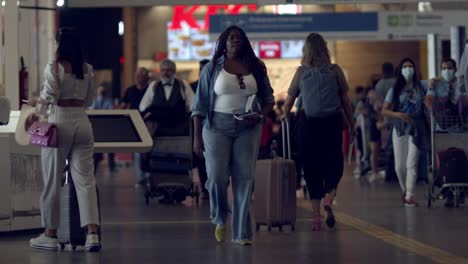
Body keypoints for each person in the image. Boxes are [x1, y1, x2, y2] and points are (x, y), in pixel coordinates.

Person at [192, 25, 275, 245]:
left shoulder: (256, 67)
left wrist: (259, 116)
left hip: (248, 129)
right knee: (217, 176)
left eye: (239, 38)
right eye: (231, 38)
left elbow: (268, 99)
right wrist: (197, 137)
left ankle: (242, 234)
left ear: (244, 42)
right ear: (224, 42)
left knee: (244, 179)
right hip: (216, 127)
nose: (235, 40)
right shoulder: (212, 67)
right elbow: (199, 104)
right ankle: (220, 218)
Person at [24, 28, 101, 251]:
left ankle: (50, 234)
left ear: (61, 44)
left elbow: (49, 99)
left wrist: (34, 101)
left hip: (59, 123)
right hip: (83, 123)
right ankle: (92, 234)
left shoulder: (55, 68)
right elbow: (89, 100)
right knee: (86, 180)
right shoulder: (87, 69)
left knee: (52, 180)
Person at [282, 33, 354, 231]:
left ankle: (315, 218)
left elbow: (288, 102)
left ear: (305, 50)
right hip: (331, 124)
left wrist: (284, 116)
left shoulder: (301, 72)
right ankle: (329, 197)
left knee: (311, 169)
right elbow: (346, 102)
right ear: (325, 49)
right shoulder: (335, 70)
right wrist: (352, 125)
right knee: (334, 163)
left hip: (308, 126)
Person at [382, 58, 429, 207]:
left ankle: (409, 196)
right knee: (399, 166)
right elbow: (384, 110)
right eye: (405, 66)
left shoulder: (421, 86)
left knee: (411, 163)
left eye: (411, 66)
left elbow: (435, 82)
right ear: (400, 70)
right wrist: (398, 114)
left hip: (418, 127)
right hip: (400, 127)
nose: (408, 69)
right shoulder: (394, 90)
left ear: (414, 69)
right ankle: (405, 190)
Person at [139, 59, 194, 136]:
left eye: (169, 70)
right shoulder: (154, 85)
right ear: (160, 71)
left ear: (174, 71)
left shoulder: (183, 85)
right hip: (158, 128)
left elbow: (192, 103)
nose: (165, 73)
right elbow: (143, 105)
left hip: (179, 126)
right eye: (163, 70)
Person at [120, 67, 150, 187]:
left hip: (149, 123)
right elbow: (123, 105)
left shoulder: (151, 90)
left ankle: (149, 175)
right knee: (138, 151)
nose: (139, 78)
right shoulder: (130, 90)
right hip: (135, 124)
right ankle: (141, 177)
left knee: (149, 150)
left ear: (147, 77)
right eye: (137, 76)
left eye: (142, 76)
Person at [190, 60, 210, 198]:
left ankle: (215, 186)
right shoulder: (192, 87)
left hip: (216, 126)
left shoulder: (218, 85)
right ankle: (205, 188)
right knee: (201, 159)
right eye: (201, 69)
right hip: (199, 126)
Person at [90, 82, 116, 174]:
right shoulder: (94, 100)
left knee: (110, 146)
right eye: (100, 90)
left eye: (103, 90)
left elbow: (111, 111)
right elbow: (92, 110)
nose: (101, 92)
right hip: (96, 127)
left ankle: (112, 165)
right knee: (95, 148)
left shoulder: (109, 100)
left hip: (106, 126)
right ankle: (96, 163)